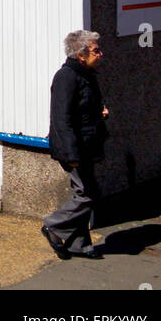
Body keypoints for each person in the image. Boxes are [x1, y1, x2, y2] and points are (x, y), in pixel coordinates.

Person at [41, 30, 109, 259]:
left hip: (87, 144)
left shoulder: (87, 74)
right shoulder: (66, 76)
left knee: (84, 192)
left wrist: (100, 112)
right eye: (95, 50)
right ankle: (53, 225)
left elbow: (84, 108)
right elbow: (61, 118)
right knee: (88, 194)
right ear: (81, 54)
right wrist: (70, 153)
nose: (101, 53)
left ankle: (79, 244)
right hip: (74, 147)